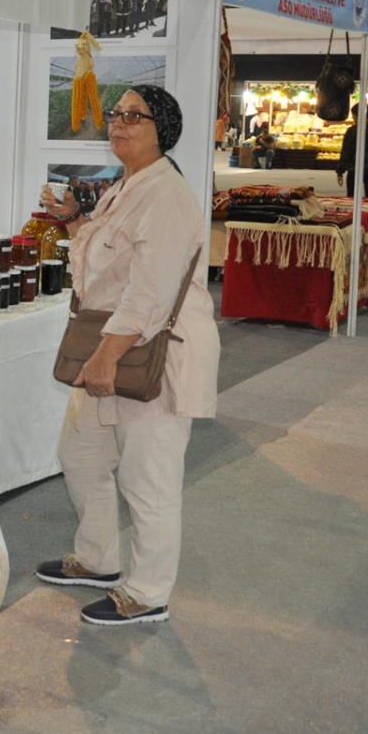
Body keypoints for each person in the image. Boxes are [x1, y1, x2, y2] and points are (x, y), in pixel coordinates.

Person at [35, 85, 220, 626]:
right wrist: (74, 221)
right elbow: (106, 264)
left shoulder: (165, 194)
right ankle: (97, 559)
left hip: (149, 357)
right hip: (112, 349)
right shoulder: (129, 186)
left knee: (148, 480)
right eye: (115, 114)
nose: (117, 123)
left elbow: (150, 291)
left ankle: (147, 593)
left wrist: (106, 356)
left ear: (161, 128)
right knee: (81, 456)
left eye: (133, 116)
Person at [336, 104, 368, 198]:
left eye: (353, 115)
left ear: (357, 115)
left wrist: (340, 171)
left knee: (352, 200)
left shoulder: (352, 131)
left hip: (355, 170)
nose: (352, 117)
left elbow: (346, 153)